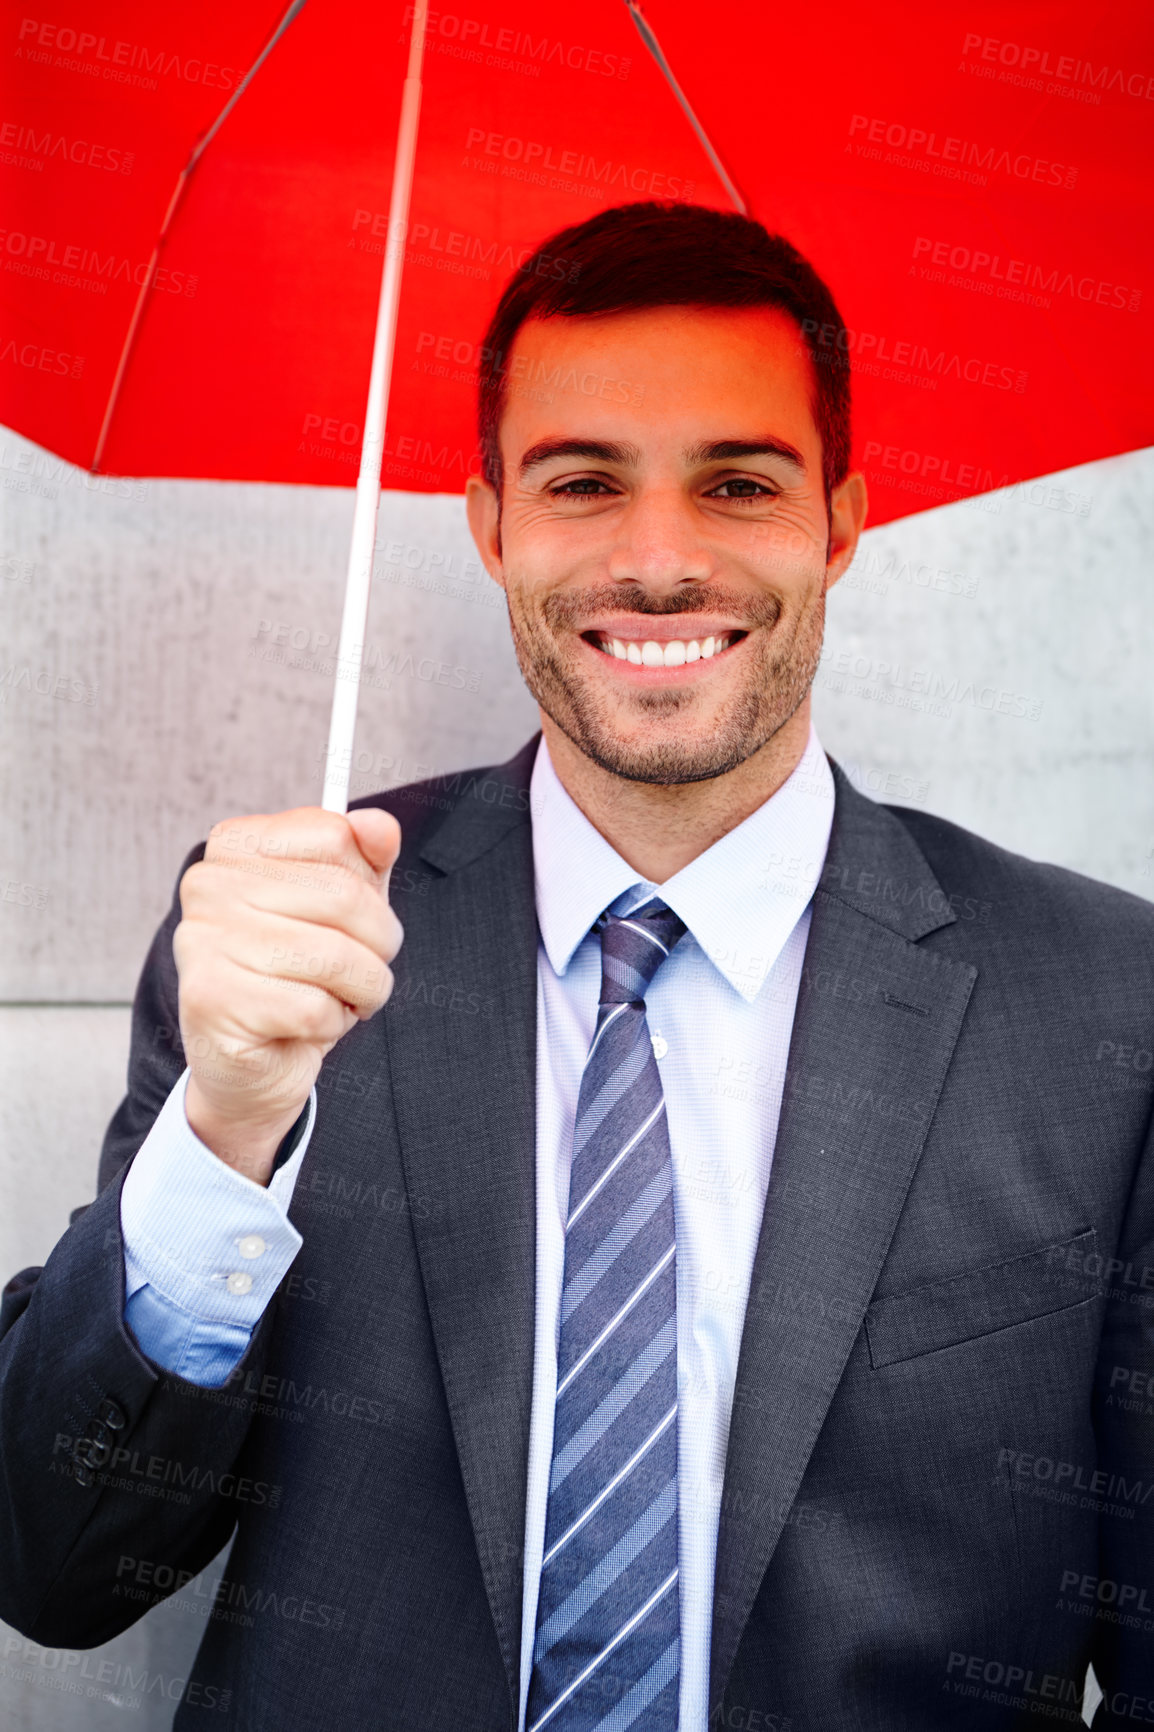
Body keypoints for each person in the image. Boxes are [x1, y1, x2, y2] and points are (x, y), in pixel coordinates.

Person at [1, 202, 1151, 1732]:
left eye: (737, 482)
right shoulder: (284, 952)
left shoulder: (1100, 1003)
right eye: (581, 482)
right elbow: (57, 1566)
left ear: (841, 524)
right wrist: (222, 1136)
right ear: (490, 527)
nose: (657, 562)